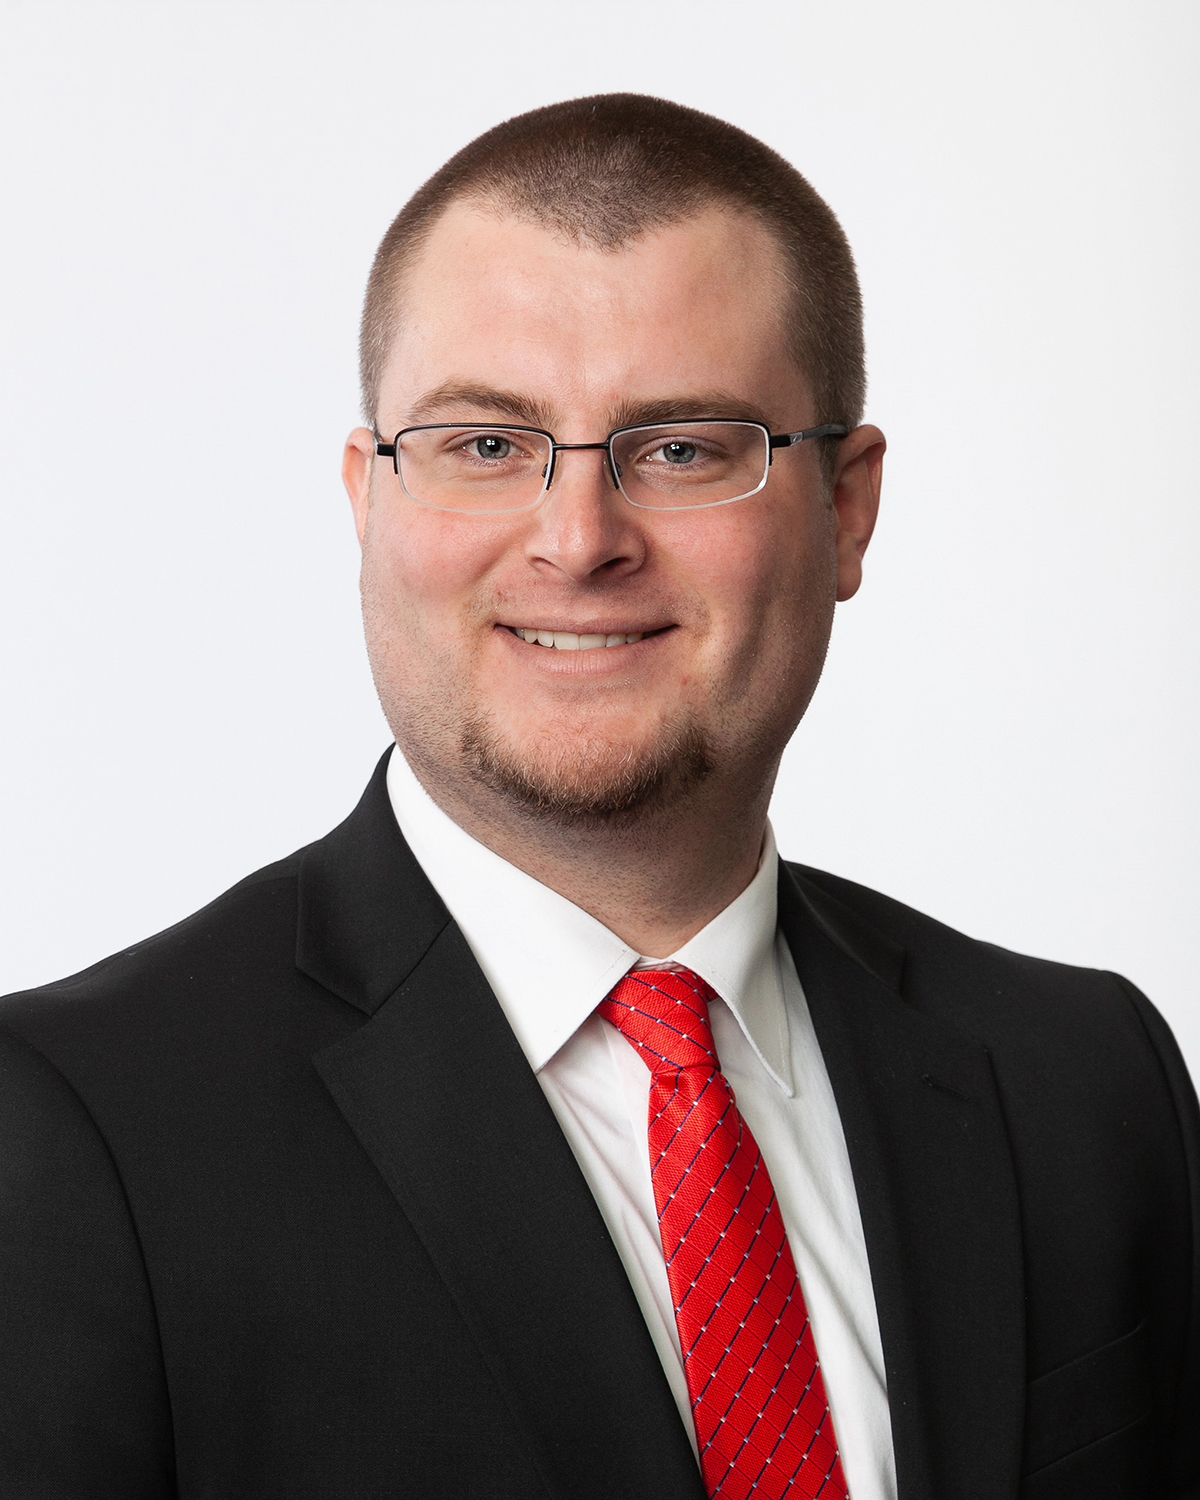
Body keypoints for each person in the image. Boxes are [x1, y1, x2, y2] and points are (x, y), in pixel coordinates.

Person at [1, 92, 1195, 1500]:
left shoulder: (1085, 1082)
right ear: (369, 500)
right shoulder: (68, 1134)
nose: (578, 542)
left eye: (683, 447)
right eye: (485, 445)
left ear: (847, 508)